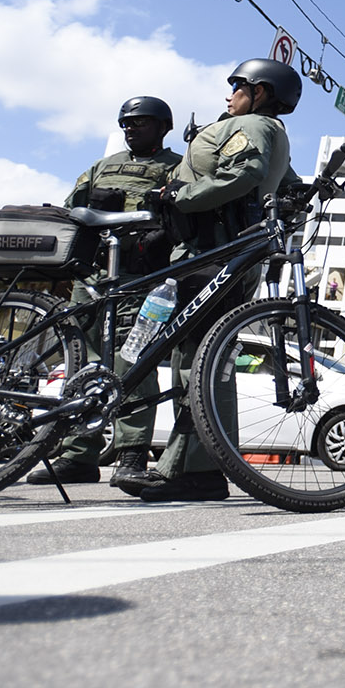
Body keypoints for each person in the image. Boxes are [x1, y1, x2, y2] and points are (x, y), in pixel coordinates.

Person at [120, 59, 300, 503]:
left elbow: (245, 173)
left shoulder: (256, 125)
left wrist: (180, 196)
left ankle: (194, 468)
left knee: (200, 360)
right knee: (197, 357)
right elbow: (286, 185)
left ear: (260, 92)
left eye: (237, 85)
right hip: (210, 254)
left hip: (213, 255)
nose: (229, 93)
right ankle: (192, 465)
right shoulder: (261, 129)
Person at [27, 96, 181, 488]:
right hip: (93, 280)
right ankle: (78, 454)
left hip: (141, 281)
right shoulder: (101, 167)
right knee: (83, 365)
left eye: (141, 122)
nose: (131, 129)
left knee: (134, 365)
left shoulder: (177, 167)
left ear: (164, 127)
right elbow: (72, 211)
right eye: (126, 123)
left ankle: (131, 455)